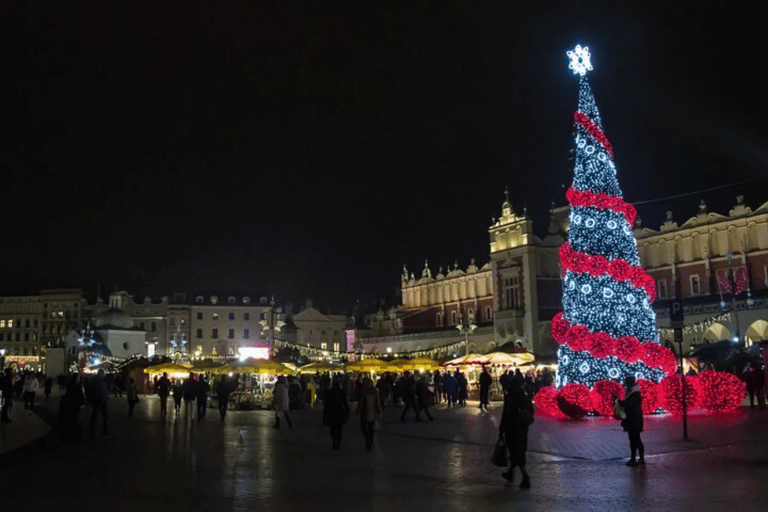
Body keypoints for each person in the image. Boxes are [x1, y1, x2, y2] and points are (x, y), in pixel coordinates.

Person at [499, 378, 533, 488]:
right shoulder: (526, 397)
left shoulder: (510, 398)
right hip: (523, 429)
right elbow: (531, 413)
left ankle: (525, 477)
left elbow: (506, 414)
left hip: (512, 428)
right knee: (518, 451)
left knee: (516, 452)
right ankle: (510, 473)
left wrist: (501, 429)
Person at [617, 375, 644, 466]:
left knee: (634, 440)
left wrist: (621, 403)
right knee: (636, 439)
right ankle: (639, 459)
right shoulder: (634, 393)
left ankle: (635, 459)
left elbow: (630, 406)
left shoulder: (633, 394)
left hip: (633, 420)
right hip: (635, 420)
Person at [323, 377, 350, 450]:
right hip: (339, 412)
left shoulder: (329, 392)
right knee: (339, 429)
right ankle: (337, 442)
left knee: (332, 429)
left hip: (332, 413)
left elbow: (326, 405)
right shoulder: (341, 392)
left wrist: (324, 416)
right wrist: (347, 413)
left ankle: (335, 441)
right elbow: (346, 404)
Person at [59, 373, 85, 443]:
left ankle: (69, 436)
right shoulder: (76, 387)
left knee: (71, 421)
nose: (80, 379)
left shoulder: (69, 386)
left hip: (71, 406)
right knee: (74, 421)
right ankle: (74, 436)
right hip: (74, 406)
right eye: (79, 377)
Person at [357, 377, 381, 450]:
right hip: (372, 413)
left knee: (364, 428)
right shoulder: (375, 391)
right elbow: (378, 403)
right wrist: (379, 412)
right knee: (370, 428)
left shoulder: (364, 392)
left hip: (365, 412)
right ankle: (370, 440)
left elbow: (361, 403)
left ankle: (368, 441)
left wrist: (358, 412)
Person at [86, 369, 110, 437]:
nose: (104, 374)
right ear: (100, 374)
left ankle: (95, 430)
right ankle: (97, 431)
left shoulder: (95, 380)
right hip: (98, 400)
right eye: (103, 373)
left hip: (99, 400)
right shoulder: (97, 381)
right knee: (97, 416)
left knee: (98, 416)